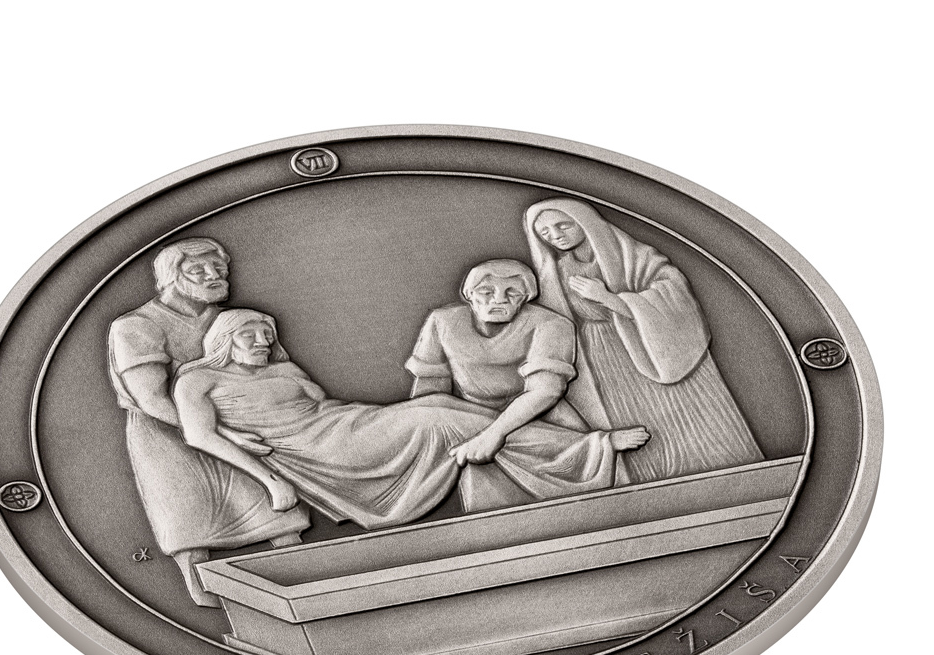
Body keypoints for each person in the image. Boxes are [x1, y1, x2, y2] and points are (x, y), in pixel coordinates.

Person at [172, 309, 634, 528]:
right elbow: (199, 436)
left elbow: (323, 405)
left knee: (448, 408)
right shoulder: (197, 380)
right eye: (248, 336)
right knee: (440, 423)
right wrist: (270, 479)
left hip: (348, 423)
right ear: (224, 340)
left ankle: (577, 448)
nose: (261, 342)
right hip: (320, 449)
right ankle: (590, 450)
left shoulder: (284, 369)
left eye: (266, 334)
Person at [108, 238, 309, 607]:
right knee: (190, 516)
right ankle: (204, 598)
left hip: (237, 424)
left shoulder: (227, 320)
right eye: (198, 270)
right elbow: (151, 399)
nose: (213, 276)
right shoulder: (137, 326)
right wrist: (220, 433)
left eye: (219, 268)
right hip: (167, 435)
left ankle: (304, 574)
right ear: (170, 278)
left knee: (274, 509)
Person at [524, 198, 763, 483]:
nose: (556, 236)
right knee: (637, 420)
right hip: (603, 358)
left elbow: (673, 294)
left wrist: (607, 298)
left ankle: (733, 479)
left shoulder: (631, 255)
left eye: (563, 225)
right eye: (545, 233)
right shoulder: (556, 271)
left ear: (585, 221)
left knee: (688, 417)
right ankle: (662, 488)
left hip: (652, 345)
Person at [407, 259, 648, 508]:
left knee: (585, 502)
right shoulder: (442, 322)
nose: (499, 300)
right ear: (469, 295)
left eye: (512, 293)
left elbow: (546, 391)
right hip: (469, 415)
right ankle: (597, 445)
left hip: (542, 414)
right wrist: (429, 434)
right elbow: (430, 395)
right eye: (486, 292)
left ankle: (594, 447)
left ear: (525, 298)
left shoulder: (551, 324)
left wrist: (493, 435)